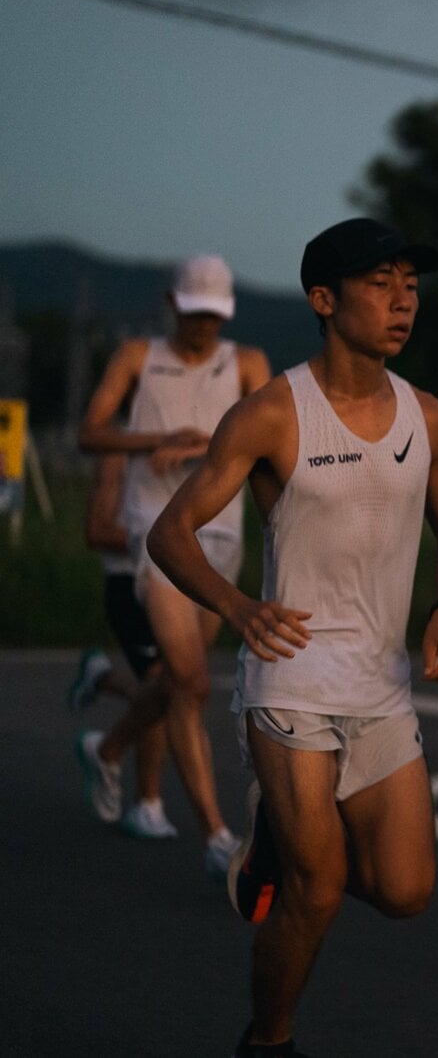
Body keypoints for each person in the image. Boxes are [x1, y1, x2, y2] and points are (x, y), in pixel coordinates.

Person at [143, 217, 438, 1058]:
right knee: (318, 891)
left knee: (405, 893)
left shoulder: (429, 417)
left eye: (411, 283)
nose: (404, 300)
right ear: (324, 300)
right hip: (290, 679)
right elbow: (172, 534)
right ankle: (270, 1040)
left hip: (381, 686)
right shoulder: (271, 415)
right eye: (380, 283)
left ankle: (272, 851)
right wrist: (237, 606)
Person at [76, 254, 271, 876]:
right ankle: (217, 838)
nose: (203, 327)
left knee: (177, 682)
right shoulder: (138, 356)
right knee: (189, 680)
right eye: (194, 314)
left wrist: (203, 444)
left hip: (222, 536)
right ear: (172, 303)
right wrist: (154, 442)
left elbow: (270, 441)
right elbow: (91, 431)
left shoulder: (247, 364)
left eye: (214, 316)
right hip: (158, 534)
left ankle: (107, 746)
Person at [68, 451, 175, 839]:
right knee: (166, 686)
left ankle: (102, 680)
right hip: (127, 585)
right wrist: (165, 538)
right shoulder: (118, 450)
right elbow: (96, 530)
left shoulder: (183, 443)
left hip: (169, 585)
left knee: (172, 688)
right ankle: (148, 804)